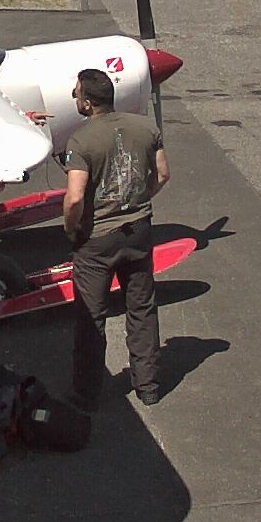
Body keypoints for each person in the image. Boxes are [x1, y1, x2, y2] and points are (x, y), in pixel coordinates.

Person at [62, 67, 171, 408]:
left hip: (97, 239)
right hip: (138, 229)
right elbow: (163, 174)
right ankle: (148, 385)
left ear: (87, 103)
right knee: (141, 307)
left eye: (76, 93)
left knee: (91, 316)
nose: (74, 97)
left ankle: (87, 394)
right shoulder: (145, 127)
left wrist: (71, 228)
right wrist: (139, 199)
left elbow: (75, 198)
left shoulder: (81, 141)